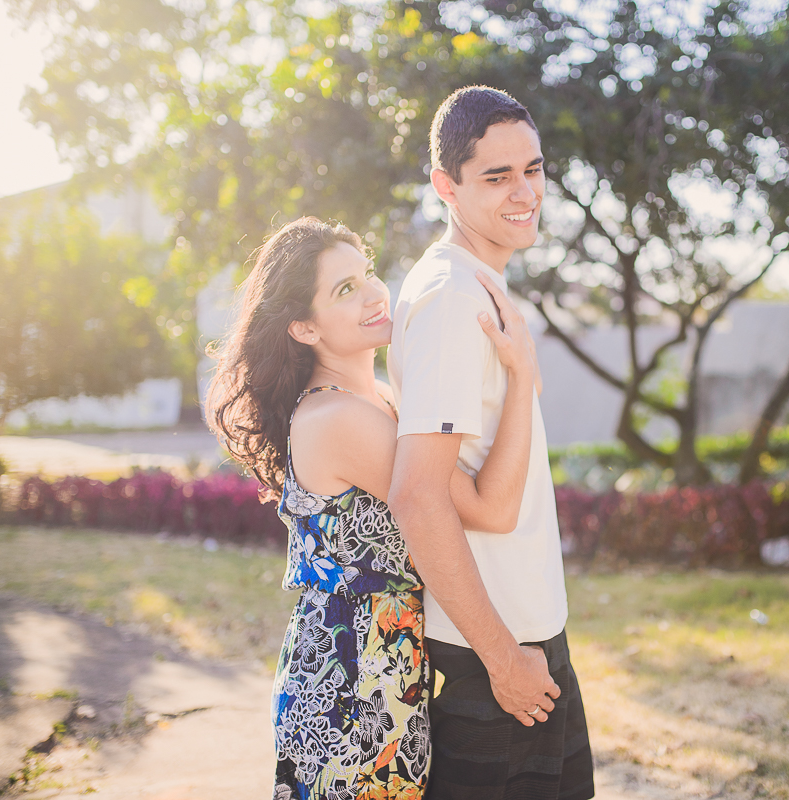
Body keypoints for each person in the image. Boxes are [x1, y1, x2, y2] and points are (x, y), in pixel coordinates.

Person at [204, 215, 540, 800]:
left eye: (367, 275)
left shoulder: (378, 400)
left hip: (377, 672)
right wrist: (522, 373)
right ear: (304, 328)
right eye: (344, 290)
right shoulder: (343, 420)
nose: (374, 294)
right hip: (352, 690)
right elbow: (491, 507)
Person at [387, 86, 594, 799]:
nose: (524, 192)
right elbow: (415, 495)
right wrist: (504, 660)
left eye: (532, 170)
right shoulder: (452, 299)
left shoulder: (472, 286)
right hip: (496, 655)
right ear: (445, 185)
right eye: (496, 177)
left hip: (525, 639)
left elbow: (479, 496)